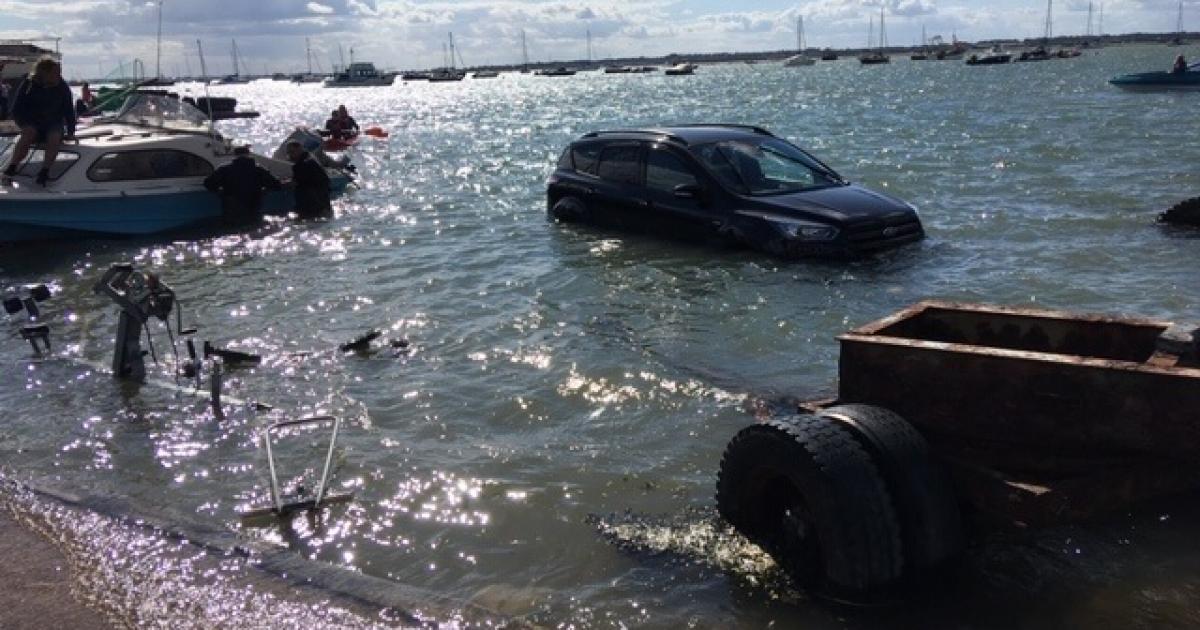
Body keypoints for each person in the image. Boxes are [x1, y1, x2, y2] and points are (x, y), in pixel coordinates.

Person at [3, 58, 76, 187]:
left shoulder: (62, 86)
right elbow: (16, 108)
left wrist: (71, 131)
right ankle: (12, 167)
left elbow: (69, 109)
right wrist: (24, 125)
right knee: (28, 134)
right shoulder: (29, 84)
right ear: (44, 73)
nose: (58, 76)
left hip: (53, 122)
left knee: (54, 137)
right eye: (55, 73)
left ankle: (44, 171)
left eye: (59, 72)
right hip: (32, 121)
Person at [203, 146, 283, 226]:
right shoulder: (258, 170)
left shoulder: (224, 169)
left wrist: (220, 193)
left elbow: (208, 183)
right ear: (248, 154)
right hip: (252, 210)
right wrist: (265, 191)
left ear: (234, 155)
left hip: (231, 211)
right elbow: (276, 185)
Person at [285, 140, 332, 218]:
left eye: (292, 152)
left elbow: (295, 182)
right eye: (288, 152)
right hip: (323, 204)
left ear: (300, 149)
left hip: (313, 206)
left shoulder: (301, 165)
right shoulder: (310, 160)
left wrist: (278, 184)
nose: (290, 155)